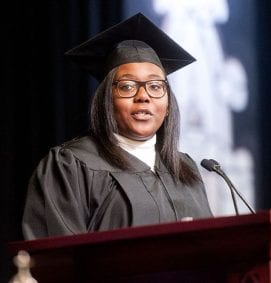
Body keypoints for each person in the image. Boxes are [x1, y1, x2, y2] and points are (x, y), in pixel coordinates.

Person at [22, 13, 213, 240]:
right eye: (128, 86)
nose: (143, 96)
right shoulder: (70, 166)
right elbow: (56, 261)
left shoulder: (185, 169)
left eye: (155, 86)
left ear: (169, 104)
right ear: (106, 101)